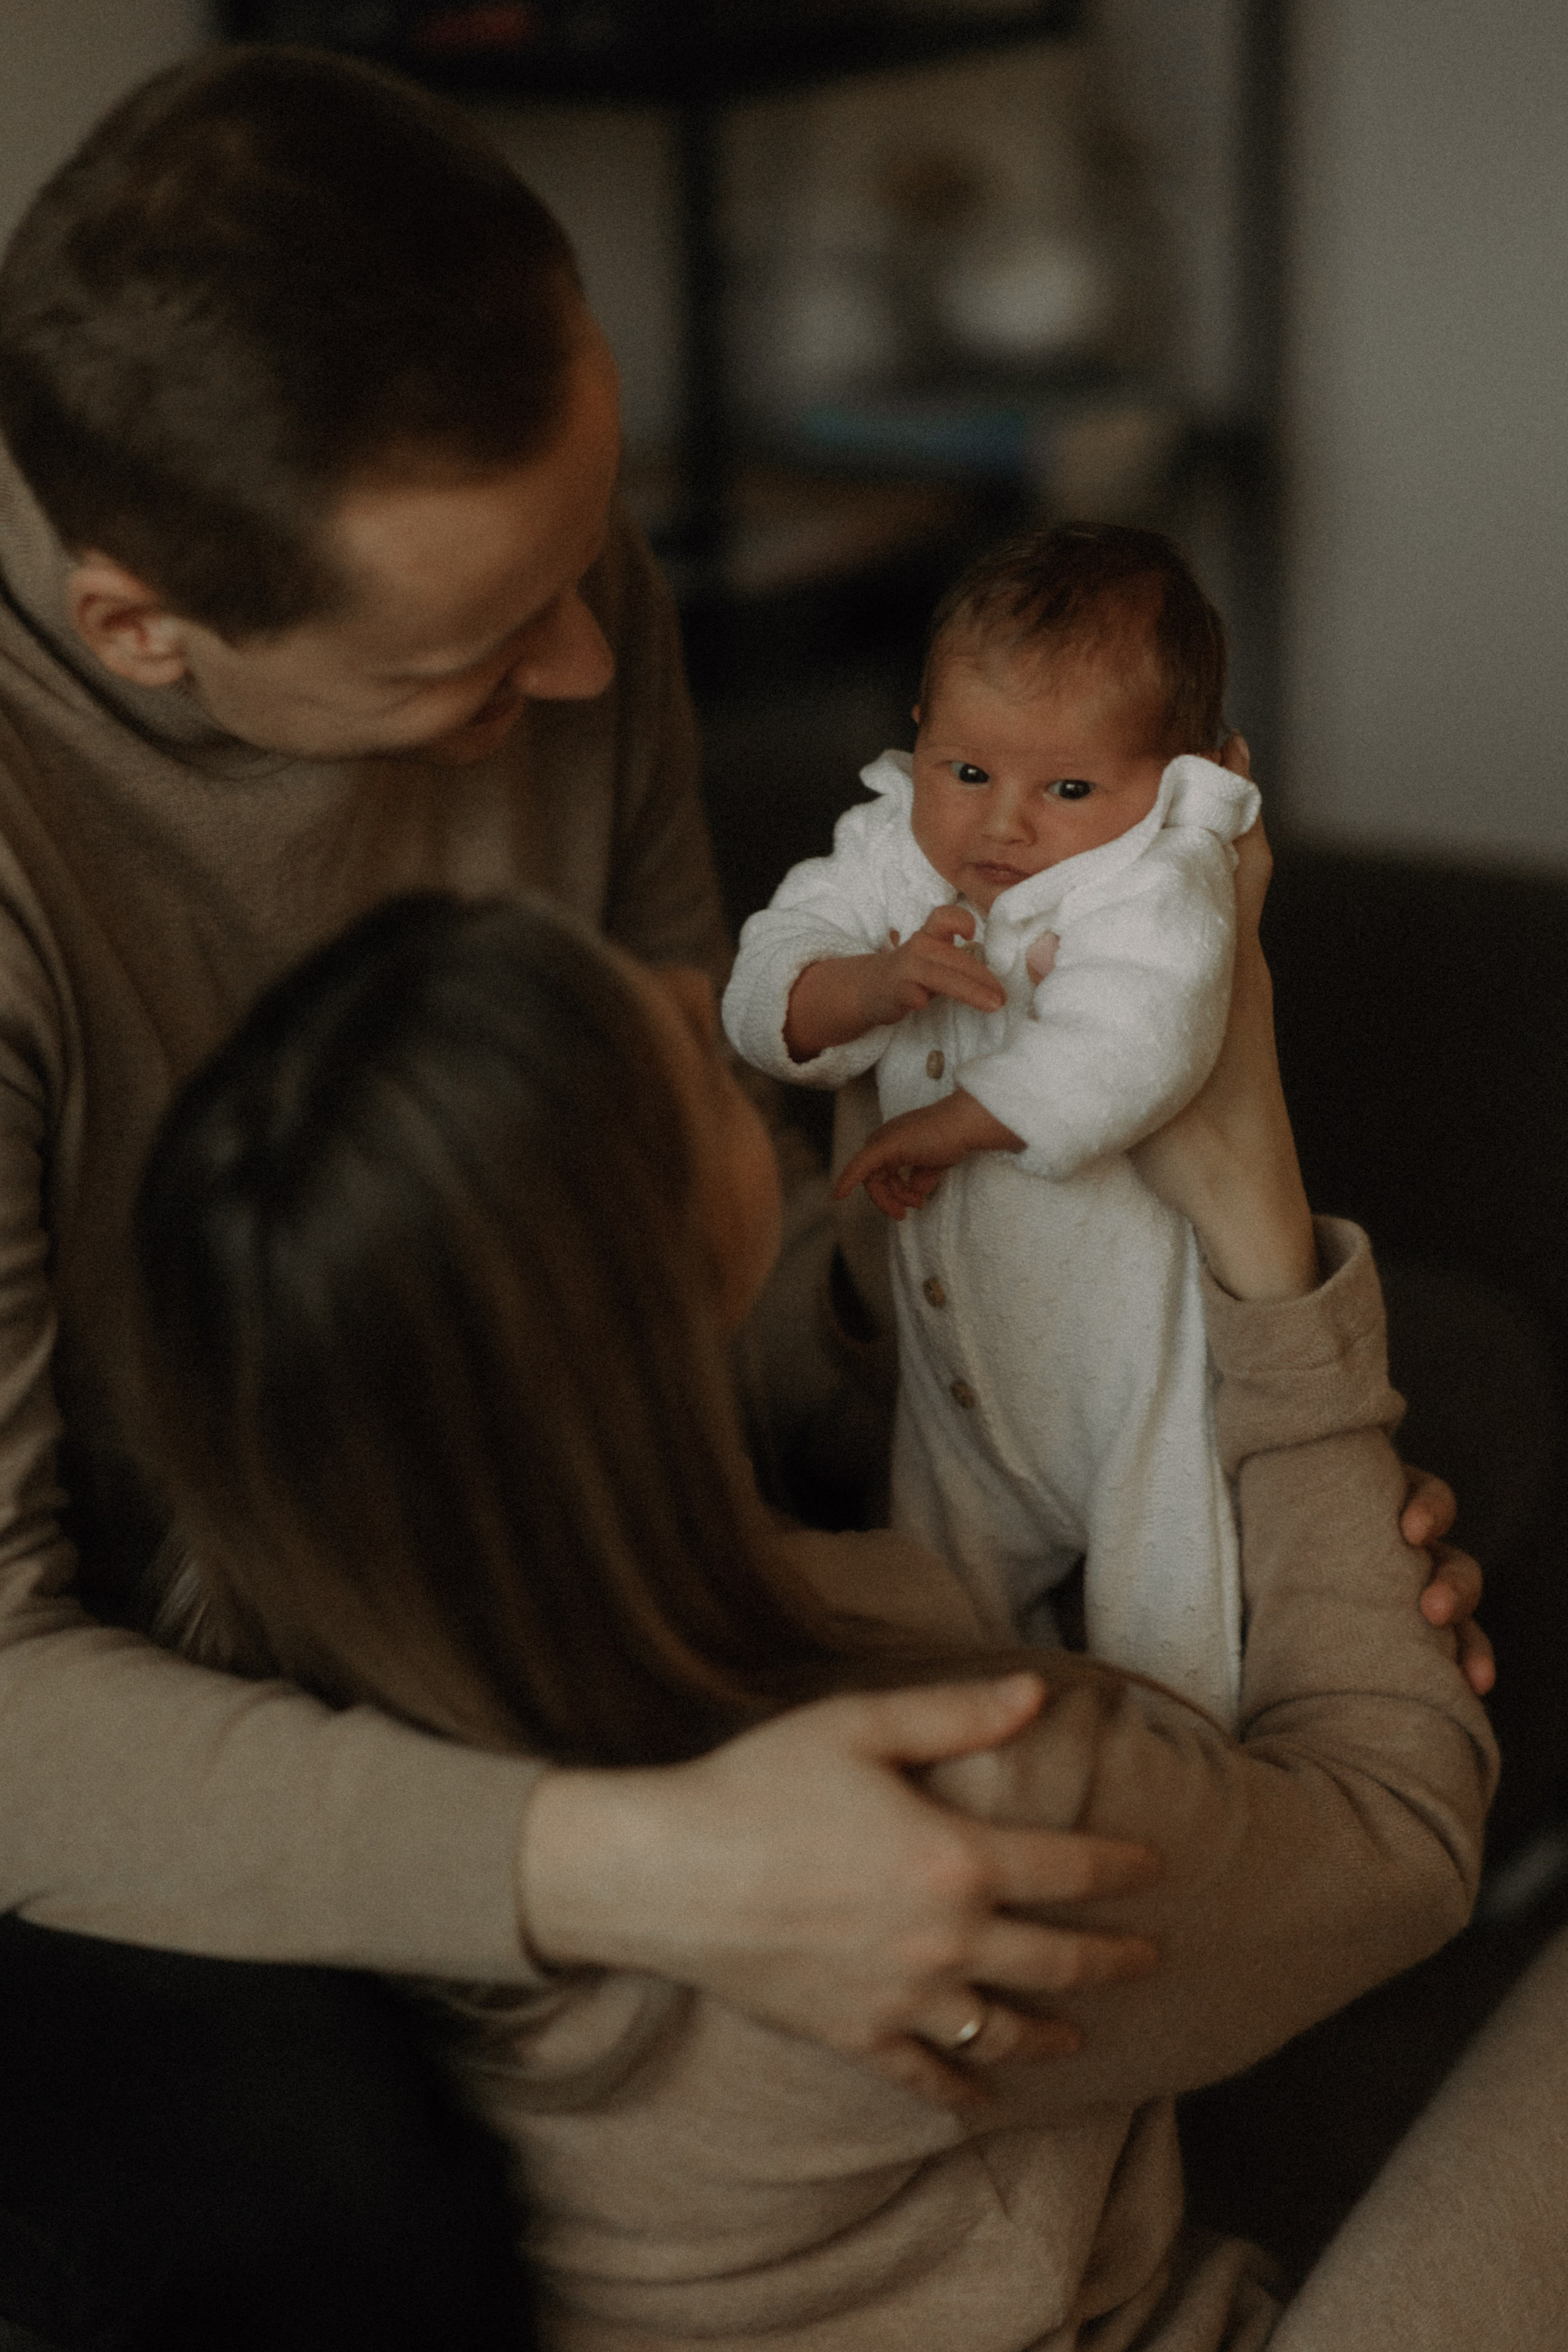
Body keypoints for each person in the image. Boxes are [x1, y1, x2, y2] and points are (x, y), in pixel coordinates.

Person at [0, 47, 1183, 2348]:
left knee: (1401, 1389)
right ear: (145, 628)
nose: (586, 663)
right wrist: (639, 1873)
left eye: (590, 557)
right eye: (469, 656)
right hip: (161, 1674)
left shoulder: (568, 598)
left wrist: (988, 1315)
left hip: (524, 1522)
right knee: (332, 2213)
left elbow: (675, 1221)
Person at [127, 864, 1566, 2350]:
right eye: (688, 1064)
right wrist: (1257, 1222)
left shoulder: (241, 1689)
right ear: (655, 1311)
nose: (697, 993)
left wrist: (892, 1235)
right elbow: (1396, 1832)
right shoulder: (939, 1812)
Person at [723, 526, 1259, 1721]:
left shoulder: (1151, 881)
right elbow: (763, 987)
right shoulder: (884, 853)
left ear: (1168, 779)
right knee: (942, 1626)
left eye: (1066, 789)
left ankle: (1178, 1770)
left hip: (1128, 1392)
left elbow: (1138, 1040)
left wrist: (956, 1121)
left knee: (1166, 1648)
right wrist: (859, 986)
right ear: (917, 726)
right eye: (964, 772)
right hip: (955, 1376)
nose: (1001, 825)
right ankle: (980, 1756)